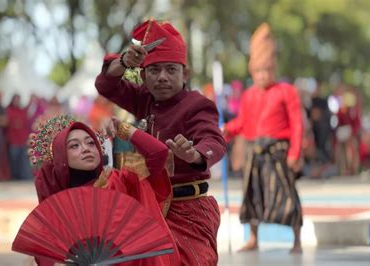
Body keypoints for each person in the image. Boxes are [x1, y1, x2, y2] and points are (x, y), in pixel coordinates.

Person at [95, 19, 226, 265]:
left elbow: (214, 141)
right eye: (154, 71)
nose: (162, 77)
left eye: (171, 70)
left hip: (188, 210)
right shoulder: (144, 98)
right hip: (148, 206)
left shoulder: (197, 104)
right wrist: (124, 61)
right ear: (143, 76)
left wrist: (195, 155)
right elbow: (105, 85)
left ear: (185, 74)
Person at [28, 115, 179, 266]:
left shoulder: (120, 182)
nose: (86, 149)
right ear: (60, 156)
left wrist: (124, 129)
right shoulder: (58, 208)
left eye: (91, 143)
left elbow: (158, 153)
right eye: (74, 146)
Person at [223, 23, 303, 253]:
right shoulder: (248, 95)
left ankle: (296, 239)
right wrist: (226, 129)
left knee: (287, 194)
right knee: (252, 195)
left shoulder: (287, 91)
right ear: (252, 71)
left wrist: (295, 152)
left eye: (266, 70)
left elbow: (297, 125)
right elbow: (242, 123)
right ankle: (253, 238)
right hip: (254, 150)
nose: (262, 75)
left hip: (278, 150)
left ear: (273, 69)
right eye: (258, 71)